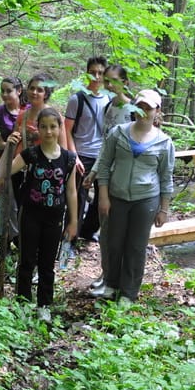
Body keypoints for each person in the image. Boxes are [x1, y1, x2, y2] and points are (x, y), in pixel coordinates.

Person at [90, 90, 174, 302]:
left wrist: (164, 209)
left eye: (149, 108)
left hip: (146, 199)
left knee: (136, 247)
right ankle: (111, 283)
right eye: (140, 106)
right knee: (112, 242)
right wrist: (103, 196)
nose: (144, 111)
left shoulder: (164, 143)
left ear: (157, 111)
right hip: (116, 195)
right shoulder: (118, 133)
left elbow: (166, 177)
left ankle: (128, 293)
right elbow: (104, 165)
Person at [0, 107, 78, 321]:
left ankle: (44, 304)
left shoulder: (69, 159)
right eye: (44, 127)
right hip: (30, 216)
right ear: (38, 129)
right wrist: (9, 148)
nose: (49, 131)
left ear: (60, 128)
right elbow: (2, 173)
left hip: (55, 219)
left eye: (53, 127)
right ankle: (23, 302)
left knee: (47, 264)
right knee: (27, 260)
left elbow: (70, 191)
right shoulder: (31, 154)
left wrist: (73, 221)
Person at [83, 63, 136, 289]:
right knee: (105, 231)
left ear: (124, 82)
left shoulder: (133, 110)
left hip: (125, 179)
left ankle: (118, 279)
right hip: (106, 176)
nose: (109, 85)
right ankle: (107, 275)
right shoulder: (108, 107)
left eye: (115, 80)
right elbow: (106, 144)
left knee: (119, 232)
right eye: (107, 80)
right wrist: (95, 171)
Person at [64, 56, 109, 245]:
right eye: (93, 72)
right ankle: (69, 239)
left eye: (100, 73)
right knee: (77, 199)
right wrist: (74, 156)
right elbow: (66, 129)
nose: (96, 77)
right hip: (81, 154)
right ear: (87, 74)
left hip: (103, 156)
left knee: (102, 197)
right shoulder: (77, 99)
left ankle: (88, 230)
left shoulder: (110, 99)